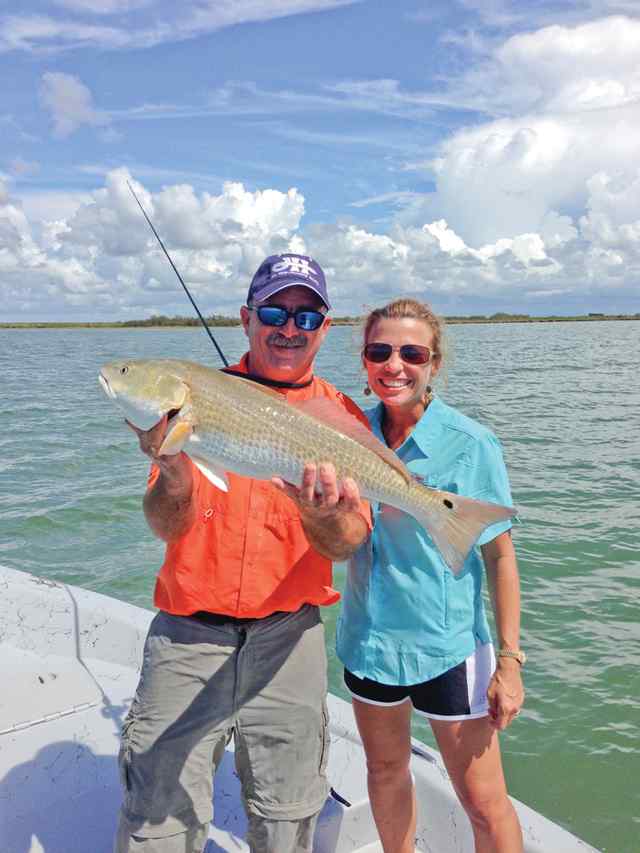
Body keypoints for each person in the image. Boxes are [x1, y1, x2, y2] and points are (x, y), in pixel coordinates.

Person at [115, 253, 371, 853]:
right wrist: (171, 467)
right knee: (156, 817)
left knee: (289, 817)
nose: (289, 328)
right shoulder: (197, 398)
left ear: (325, 328)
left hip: (290, 639)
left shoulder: (343, 418)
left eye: (306, 318)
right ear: (246, 318)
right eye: (275, 312)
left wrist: (320, 514)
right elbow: (165, 524)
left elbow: (348, 541)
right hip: (187, 635)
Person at [336, 298, 525, 853]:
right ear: (365, 363)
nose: (395, 365)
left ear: (434, 363)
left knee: (484, 804)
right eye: (380, 351)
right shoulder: (345, 431)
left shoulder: (472, 445)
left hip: (450, 650)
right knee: (385, 772)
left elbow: (501, 558)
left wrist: (509, 662)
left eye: (412, 353)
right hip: (368, 643)